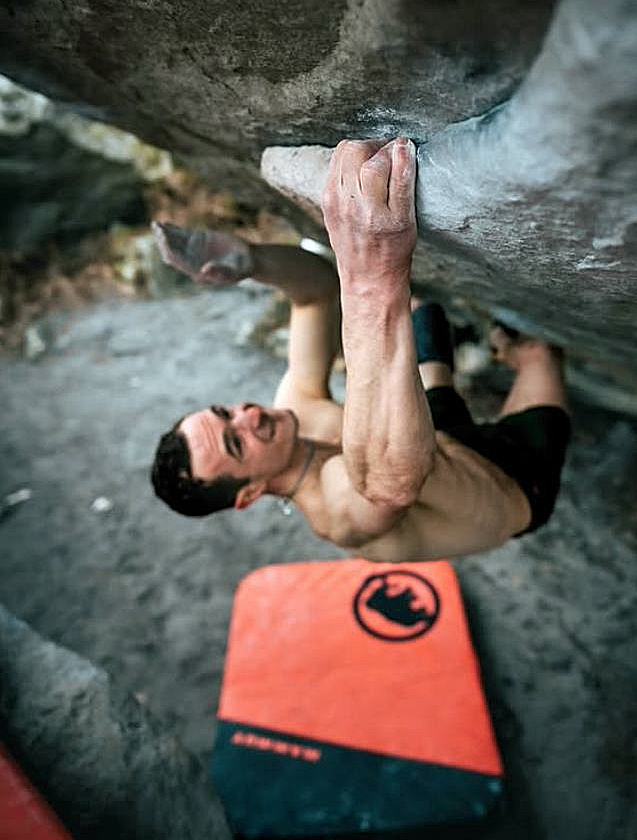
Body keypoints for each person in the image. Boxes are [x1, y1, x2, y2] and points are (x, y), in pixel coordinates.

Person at [150, 138, 570, 561]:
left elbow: (315, 295)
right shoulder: (337, 517)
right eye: (236, 443)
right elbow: (391, 483)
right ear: (251, 493)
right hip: (516, 480)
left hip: (442, 437)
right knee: (540, 353)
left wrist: (252, 262)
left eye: (227, 411)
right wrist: (372, 275)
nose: (249, 415)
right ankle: (516, 357)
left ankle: (468, 347)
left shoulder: (297, 410)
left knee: (421, 312)